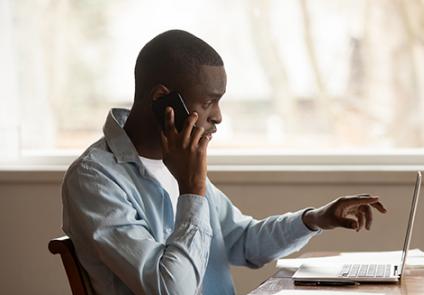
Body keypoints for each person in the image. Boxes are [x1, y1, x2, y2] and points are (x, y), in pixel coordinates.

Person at [62, 30, 387, 295]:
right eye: (209, 102)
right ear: (162, 100)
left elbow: (242, 242)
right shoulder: (95, 179)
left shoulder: (176, 161)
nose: (217, 117)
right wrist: (191, 190)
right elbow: (172, 289)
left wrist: (315, 219)